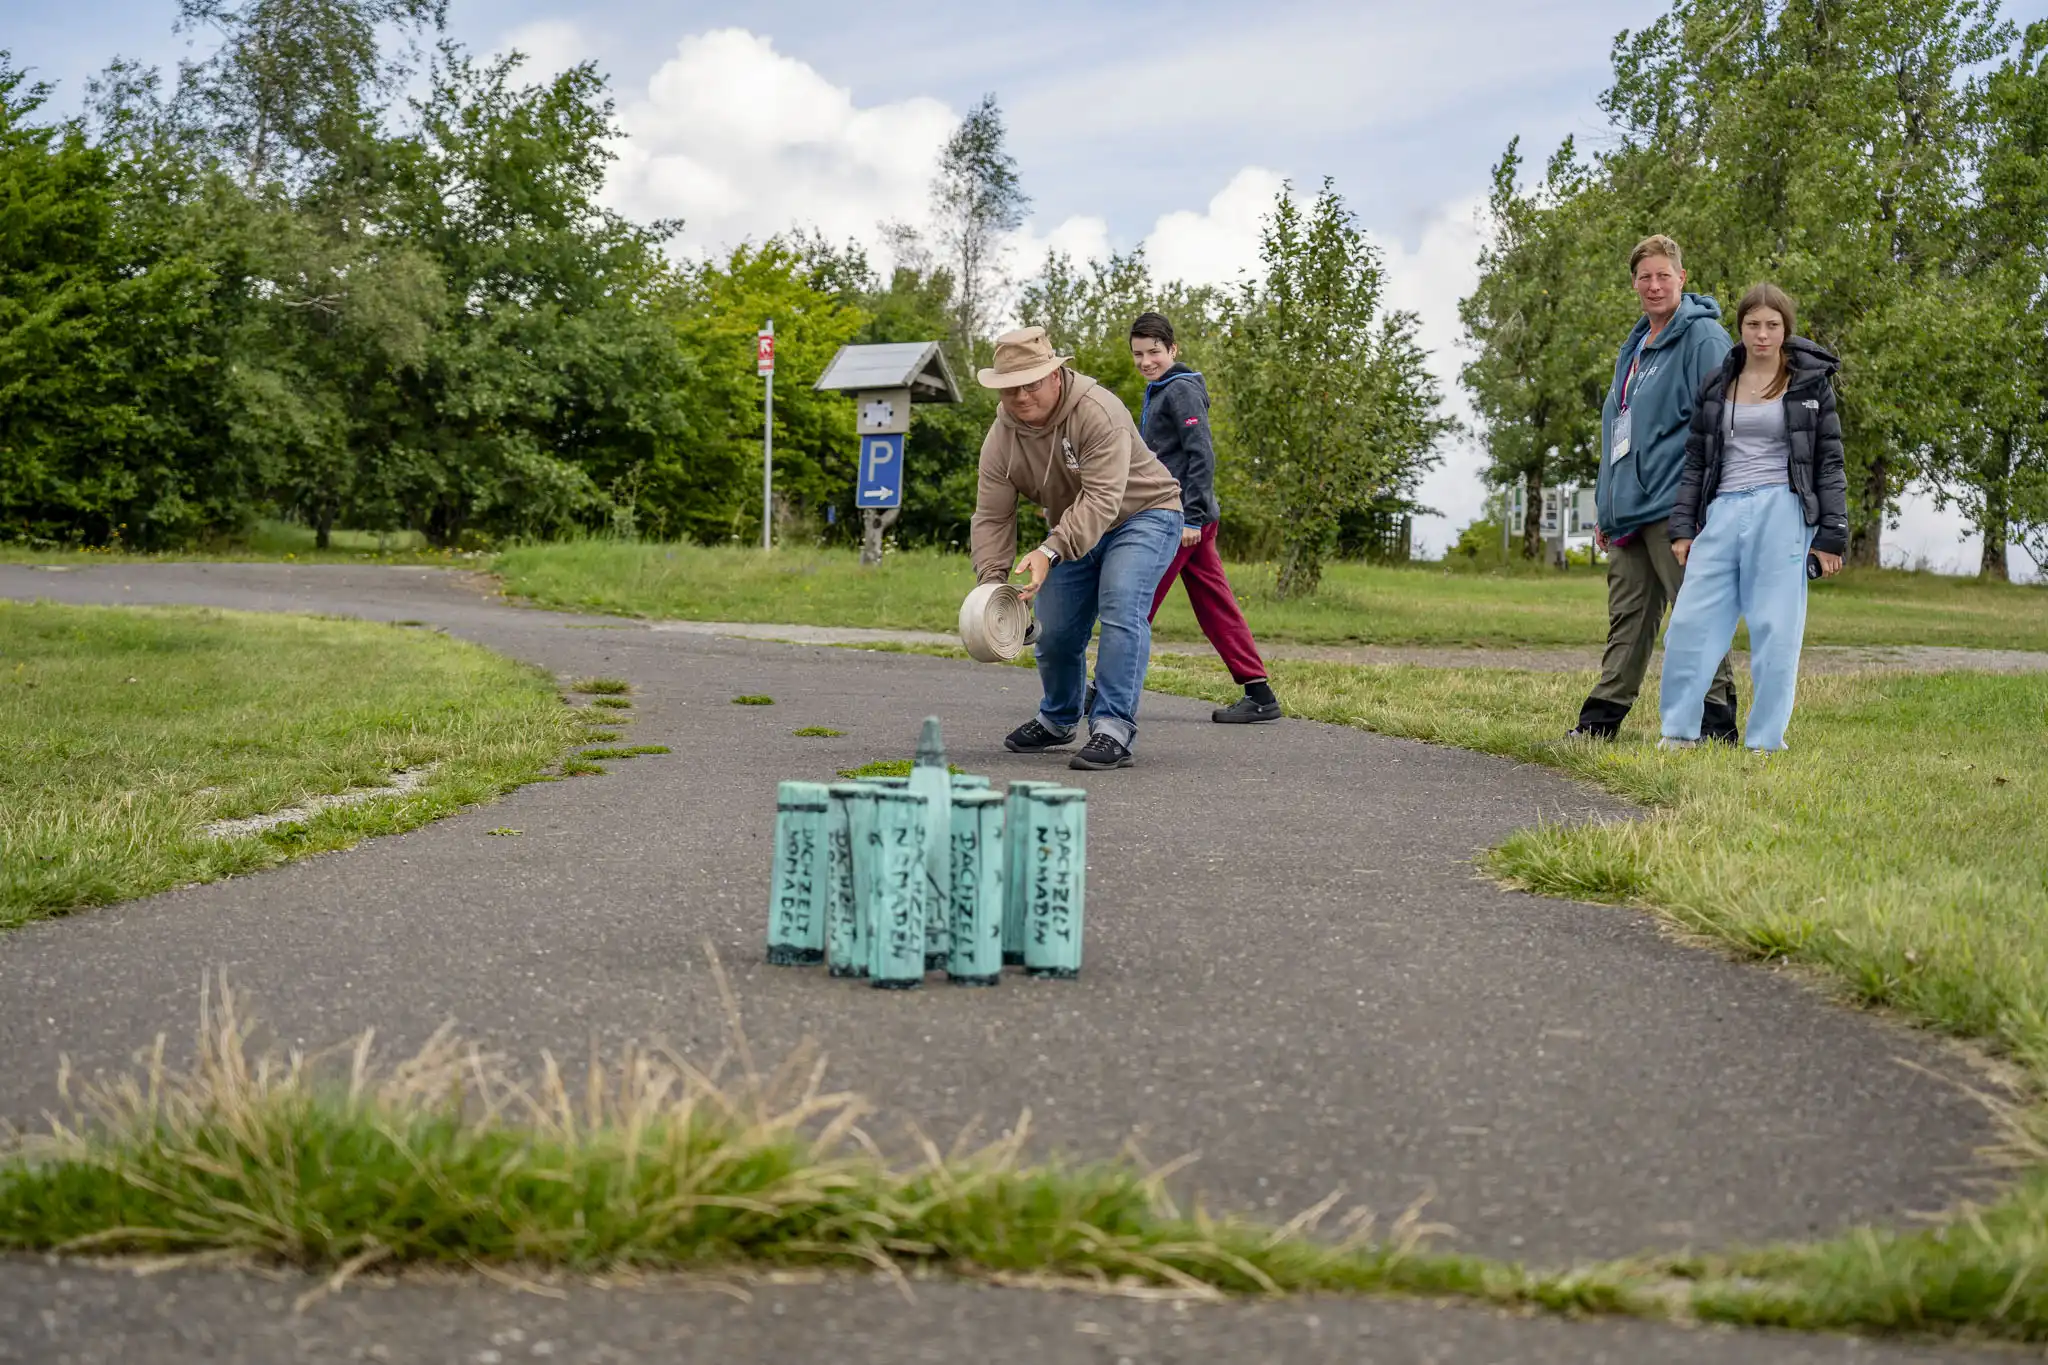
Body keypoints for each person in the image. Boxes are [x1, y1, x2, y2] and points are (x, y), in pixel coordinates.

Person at [971, 326, 1185, 771]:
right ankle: (1059, 718)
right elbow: (992, 516)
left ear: (1055, 375)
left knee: (1122, 605)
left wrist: (1050, 551)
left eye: (1031, 383)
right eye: (1011, 388)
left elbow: (1103, 499)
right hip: (1073, 528)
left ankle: (1112, 727)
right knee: (1056, 628)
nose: (1022, 396)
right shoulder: (1000, 439)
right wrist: (994, 590)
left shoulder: (1096, 410)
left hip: (1145, 514)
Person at [1658, 284, 1847, 753]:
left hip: (1782, 511)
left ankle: (1765, 742)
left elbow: (1828, 462)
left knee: (1775, 630)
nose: (1762, 334)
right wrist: (1683, 527)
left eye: (1772, 325)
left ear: (1786, 330)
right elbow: (1697, 459)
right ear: (1739, 329)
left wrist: (1832, 536)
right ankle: (1679, 733)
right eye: (1752, 325)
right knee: (1690, 624)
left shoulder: (1810, 384)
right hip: (1721, 511)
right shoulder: (1717, 383)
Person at [1571, 235, 1741, 743]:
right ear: (1634, 283)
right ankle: (1599, 722)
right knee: (1627, 620)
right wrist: (1607, 506)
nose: (1654, 285)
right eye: (1645, 276)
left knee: (1694, 615)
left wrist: (1702, 508)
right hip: (1628, 514)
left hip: (1675, 508)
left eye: (1664, 274)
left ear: (1682, 279)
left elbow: (1721, 428)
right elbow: (1617, 429)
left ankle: (1716, 724)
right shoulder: (1635, 346)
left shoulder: (1704, 338)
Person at [1128, 311, 1281, 723]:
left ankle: (1104, 692)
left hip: (1181, 520)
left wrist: (1192, 518)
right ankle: (1260, 694)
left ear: (1172, 350)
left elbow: (1201, 455)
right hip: (1185, 517)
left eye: (1154, 352)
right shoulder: (1159, 389)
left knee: (1136, 602)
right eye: (1138, 354)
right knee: (1215, 604)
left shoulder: (1179, 390)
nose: (1145, 361)